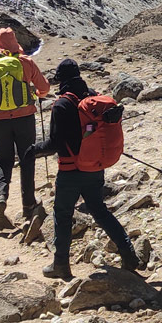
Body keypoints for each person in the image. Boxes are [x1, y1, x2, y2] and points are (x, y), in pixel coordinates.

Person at [26, 59, 140, 280]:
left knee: (63, 214)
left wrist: (32, 150)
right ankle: (128, 254)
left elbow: (54, 144)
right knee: (100, 210)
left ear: (61, 80)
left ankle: (61, 264)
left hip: (70, 171)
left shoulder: (61, 105)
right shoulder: (92, 97)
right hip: (94, 166)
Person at [0, 27, 50, 229]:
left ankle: (0, 198)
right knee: (27, 158)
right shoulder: (25, 62)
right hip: (25, 118)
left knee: (4, 160)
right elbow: (45, 88)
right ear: (15, 43)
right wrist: (35, 95)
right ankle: (28, 204)